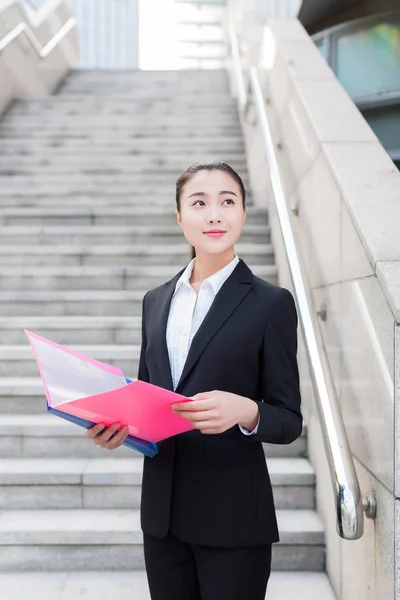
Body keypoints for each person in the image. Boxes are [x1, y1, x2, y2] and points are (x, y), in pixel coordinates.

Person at [87, 161, 303, 600]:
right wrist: (120, 430)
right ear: (180, 216)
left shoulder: (271, 304)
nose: (214, 214)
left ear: (243, 213)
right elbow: (148, 400)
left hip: (233, 519)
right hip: (163, 519)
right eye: (199, 203)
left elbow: (289, 419)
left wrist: (246, 411)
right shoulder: (155, 301)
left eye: (228, 202)